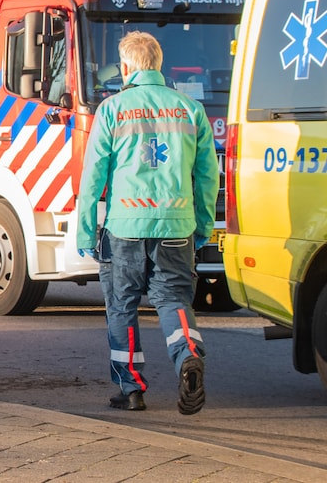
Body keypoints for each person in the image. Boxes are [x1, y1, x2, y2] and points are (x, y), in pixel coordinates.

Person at [76, 31, 216, 415]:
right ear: (158, 63)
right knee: (173, 299)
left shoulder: (113, 110)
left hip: (125, 224)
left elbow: (92, 180)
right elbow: (208, 176)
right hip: (176, 224)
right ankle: (187, 353)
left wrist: (86, 230)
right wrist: (203, 224)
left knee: (122, 305)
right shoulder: (189, 110)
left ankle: (132, 388)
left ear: (125, 67)